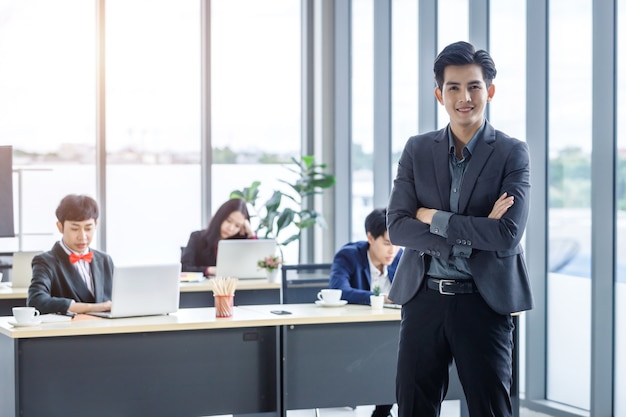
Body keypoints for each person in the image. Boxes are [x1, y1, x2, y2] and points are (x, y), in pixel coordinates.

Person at [387, 41, 533, 417]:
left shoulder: (512, 152)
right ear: (440, 94)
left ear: (490, 91)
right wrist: (470, 236)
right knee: (414, 408)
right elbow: (399, 228)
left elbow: (507, 235)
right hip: (424, 300)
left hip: (483, 303)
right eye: (453, 87)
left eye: (474, 86)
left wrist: (433, 218)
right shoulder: (417, 150)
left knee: (491, 410)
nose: (464, 97)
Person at [329, 207, 402, 417]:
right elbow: (339, 290)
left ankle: (384, 409)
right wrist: (381, 298)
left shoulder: (400, 258)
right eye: (387, 243)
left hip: (392, 332)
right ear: (370, 237)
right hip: (356, 333)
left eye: (397, 243)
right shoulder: (349, 256)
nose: (393, 250)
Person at [27, 194, 113, 315]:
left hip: (108, 330)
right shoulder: (45, 261)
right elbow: (36, 301)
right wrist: (94, 307)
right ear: (60, 227)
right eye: (74, 229)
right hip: (68, 331)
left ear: (96, 225)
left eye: (88, 228)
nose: (82, 236)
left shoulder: (104, 260)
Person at [181, 198, 256, 276]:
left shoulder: (241, 242)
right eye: (229, 221)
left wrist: (251, 233)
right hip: (206, 287)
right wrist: (210, 270)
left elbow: (258, 265)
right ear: (220, 217)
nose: (231, 228)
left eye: (237, 226)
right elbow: (185, 268)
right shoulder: (197, 238)